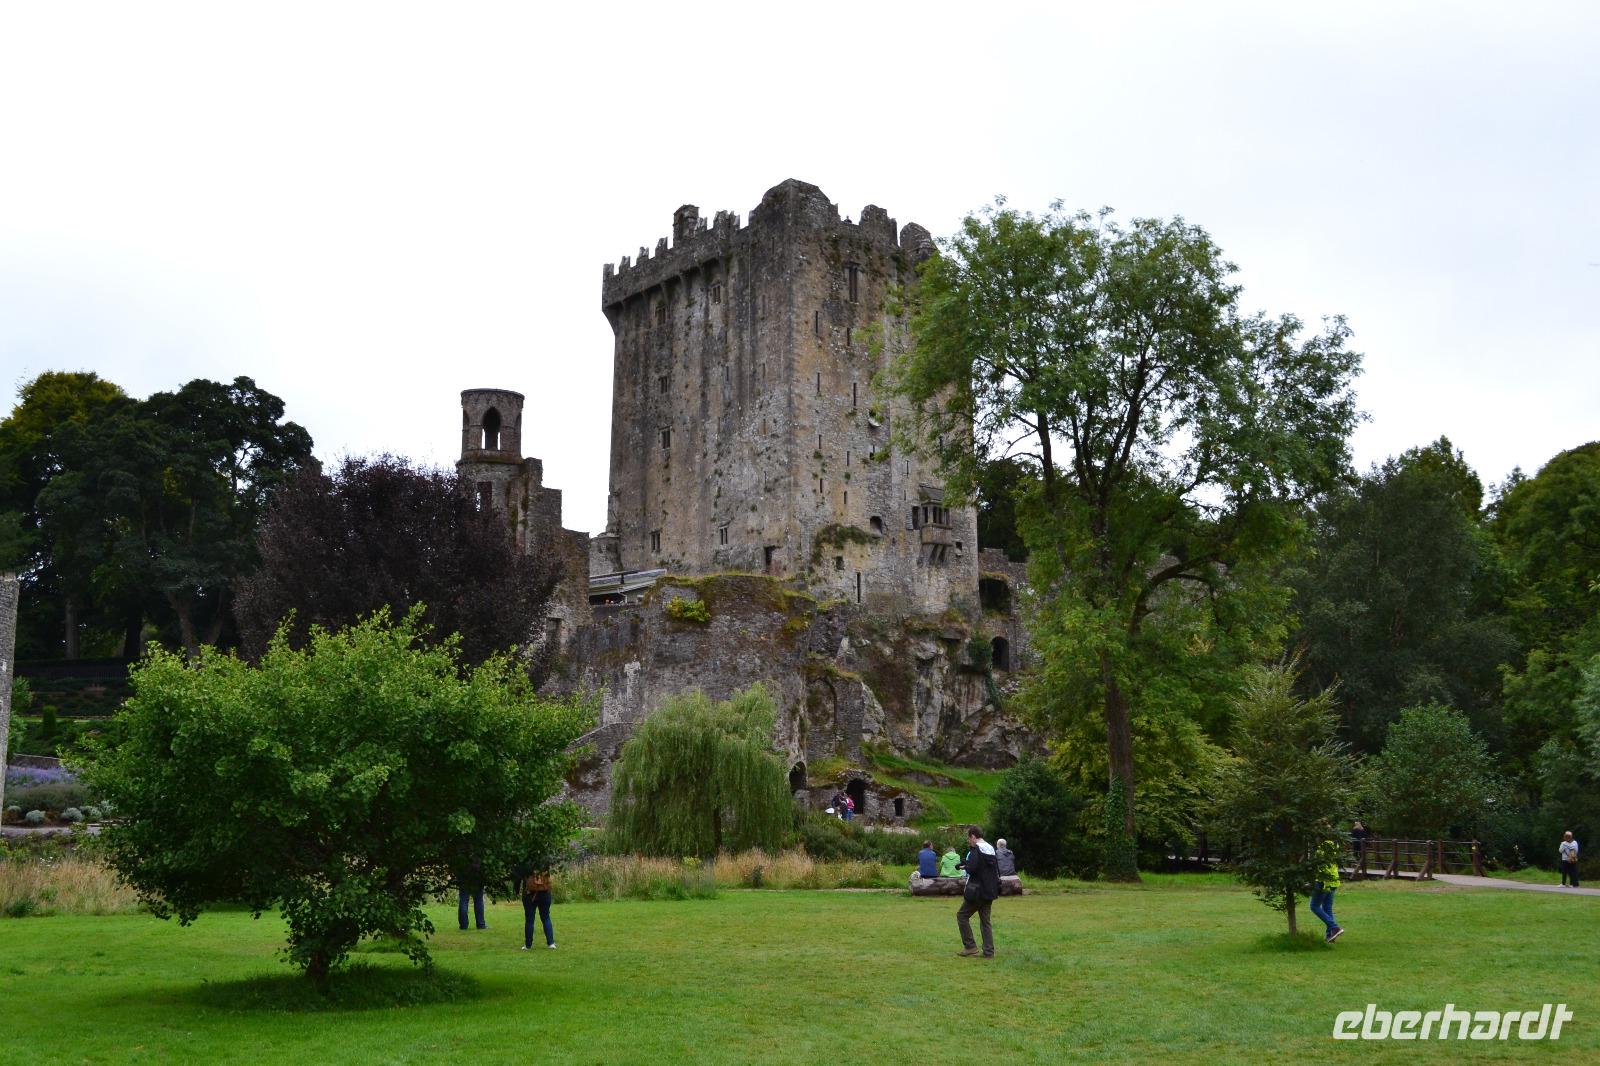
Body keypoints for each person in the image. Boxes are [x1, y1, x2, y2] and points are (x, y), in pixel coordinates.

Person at [955, 826, 1001, 958]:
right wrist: (968, 863)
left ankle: (970, 946)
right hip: (990, 890)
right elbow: (986, 867)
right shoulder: (991, 848)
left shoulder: (976, 848)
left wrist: (965, 865)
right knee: (985, 921)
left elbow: (973, 868)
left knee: (962, 916)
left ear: (973, 836)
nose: (969, 841)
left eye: (969, 839)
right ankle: (988, 952)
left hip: (977, 891)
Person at [1307, 849, 1344, 943]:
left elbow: (1318, 866)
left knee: (1314, 906)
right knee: (1327, 908)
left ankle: (1335, 928)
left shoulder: (1320, 848)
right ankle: (1330, 935)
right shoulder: (1335, 845)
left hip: (1322, 881)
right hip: (1333, 881)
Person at [521, 865, 556, 950]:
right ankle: (551, 943)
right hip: (544, 892)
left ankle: (528, 945)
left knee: (529, 920)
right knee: (546, 918)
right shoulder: (545, 860)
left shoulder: (526, 860)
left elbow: (521, 874)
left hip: (530, 894)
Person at [457, 857, 487, 931]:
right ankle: (481, 924)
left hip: (464, 878)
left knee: (463, 901)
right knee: (478, 901)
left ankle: (463, 925)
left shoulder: (461, 852)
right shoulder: (478, 851)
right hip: (477, 878)